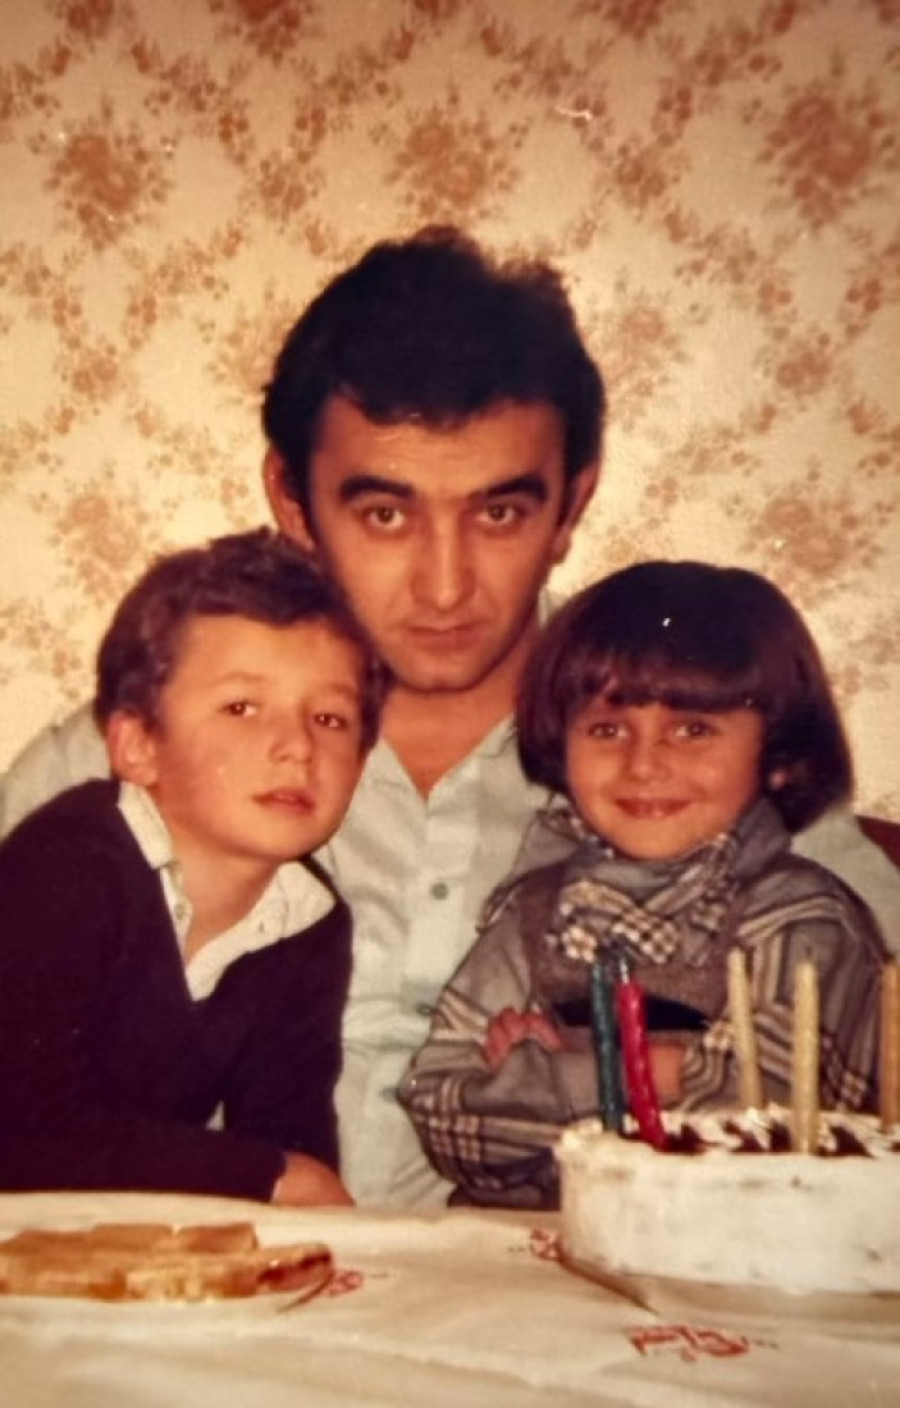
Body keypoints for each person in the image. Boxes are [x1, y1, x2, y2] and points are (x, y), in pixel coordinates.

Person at [1, 229, 899, 1208]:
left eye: (499, 513)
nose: (444, 585)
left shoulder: (693, 742)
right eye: (386, 514)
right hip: (208, 1269)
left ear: (571, 505)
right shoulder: (144, 751)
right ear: (293, 500)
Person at [398, 561, 888, 1208]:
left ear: (778, 756)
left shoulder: (802, 922)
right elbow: (446, 1122)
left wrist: (545, 1077)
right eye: (607, 729)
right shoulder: (535, 910)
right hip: (524, 1253)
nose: (644, 763)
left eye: (693, 729)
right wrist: (664, 1072)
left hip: (735, 1253)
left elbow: (754, 1141)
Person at [0, 529, 387, 1204]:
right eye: (242, 708)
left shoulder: (308, 921)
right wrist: (267, 1176)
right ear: (137, 746)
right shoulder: (66, 866)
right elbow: (19, 1132)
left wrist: (292, 1192)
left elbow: (289, 1138)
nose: (297, 746)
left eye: (330, 718)